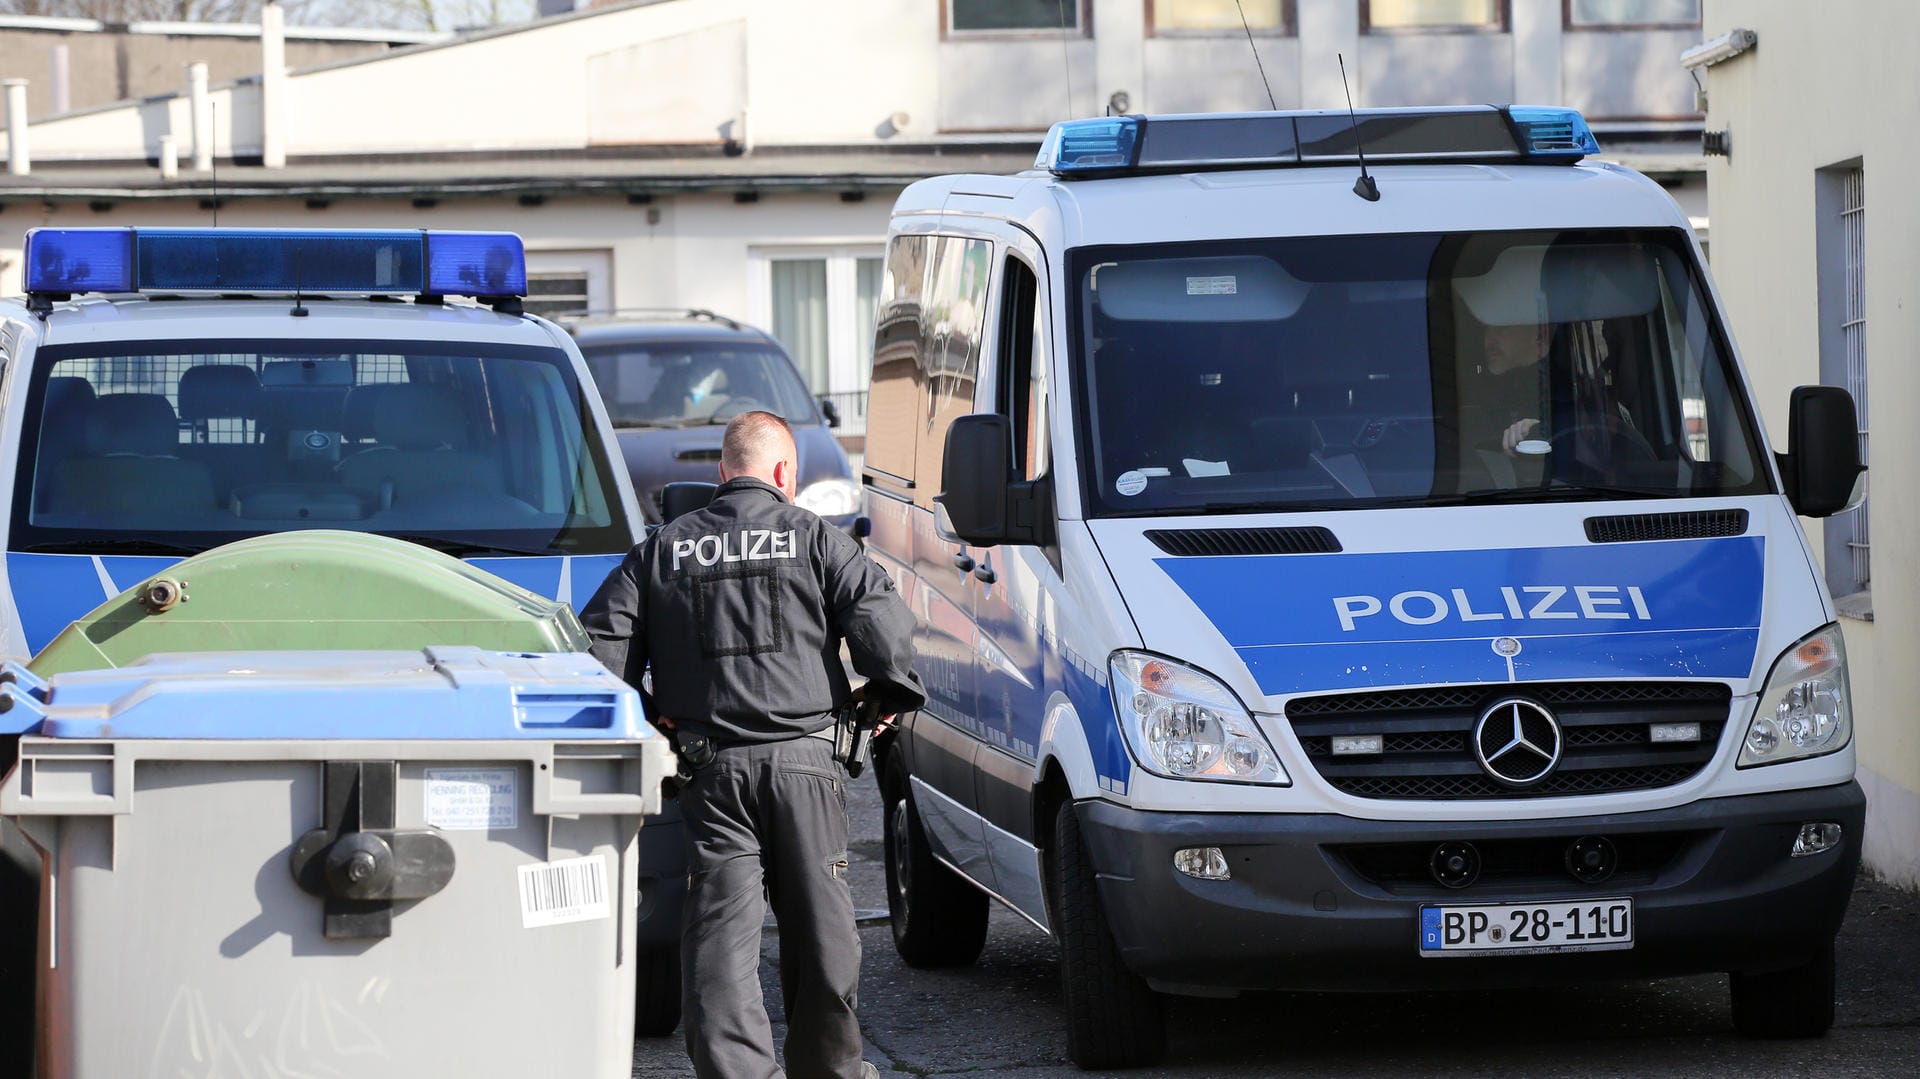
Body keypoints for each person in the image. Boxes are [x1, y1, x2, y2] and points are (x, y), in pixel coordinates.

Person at [579, 411, 924, 1079]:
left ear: (721, 473)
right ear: (784, 474)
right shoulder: (816, 538)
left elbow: (597, 656)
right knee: (822, 938)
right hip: (806, 766)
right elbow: (887, 628)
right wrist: (881, 699)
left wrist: (659, 726)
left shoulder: (664, 549)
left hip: (712, 774)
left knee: (720, 948)